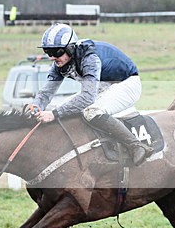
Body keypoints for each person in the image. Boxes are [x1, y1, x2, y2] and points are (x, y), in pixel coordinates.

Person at [26, 23, 153, 165]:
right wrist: (36, 106)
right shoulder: (59, 64)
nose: (53, 57)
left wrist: (53, 114)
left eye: (57, 52)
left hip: (127, 83)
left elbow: (87, 97)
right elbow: (46, 93)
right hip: (103, 86)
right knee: (59, 107)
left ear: (70, 48)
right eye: (48, 52)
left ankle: (136, 145)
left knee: (91, 111)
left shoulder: (89, 58)